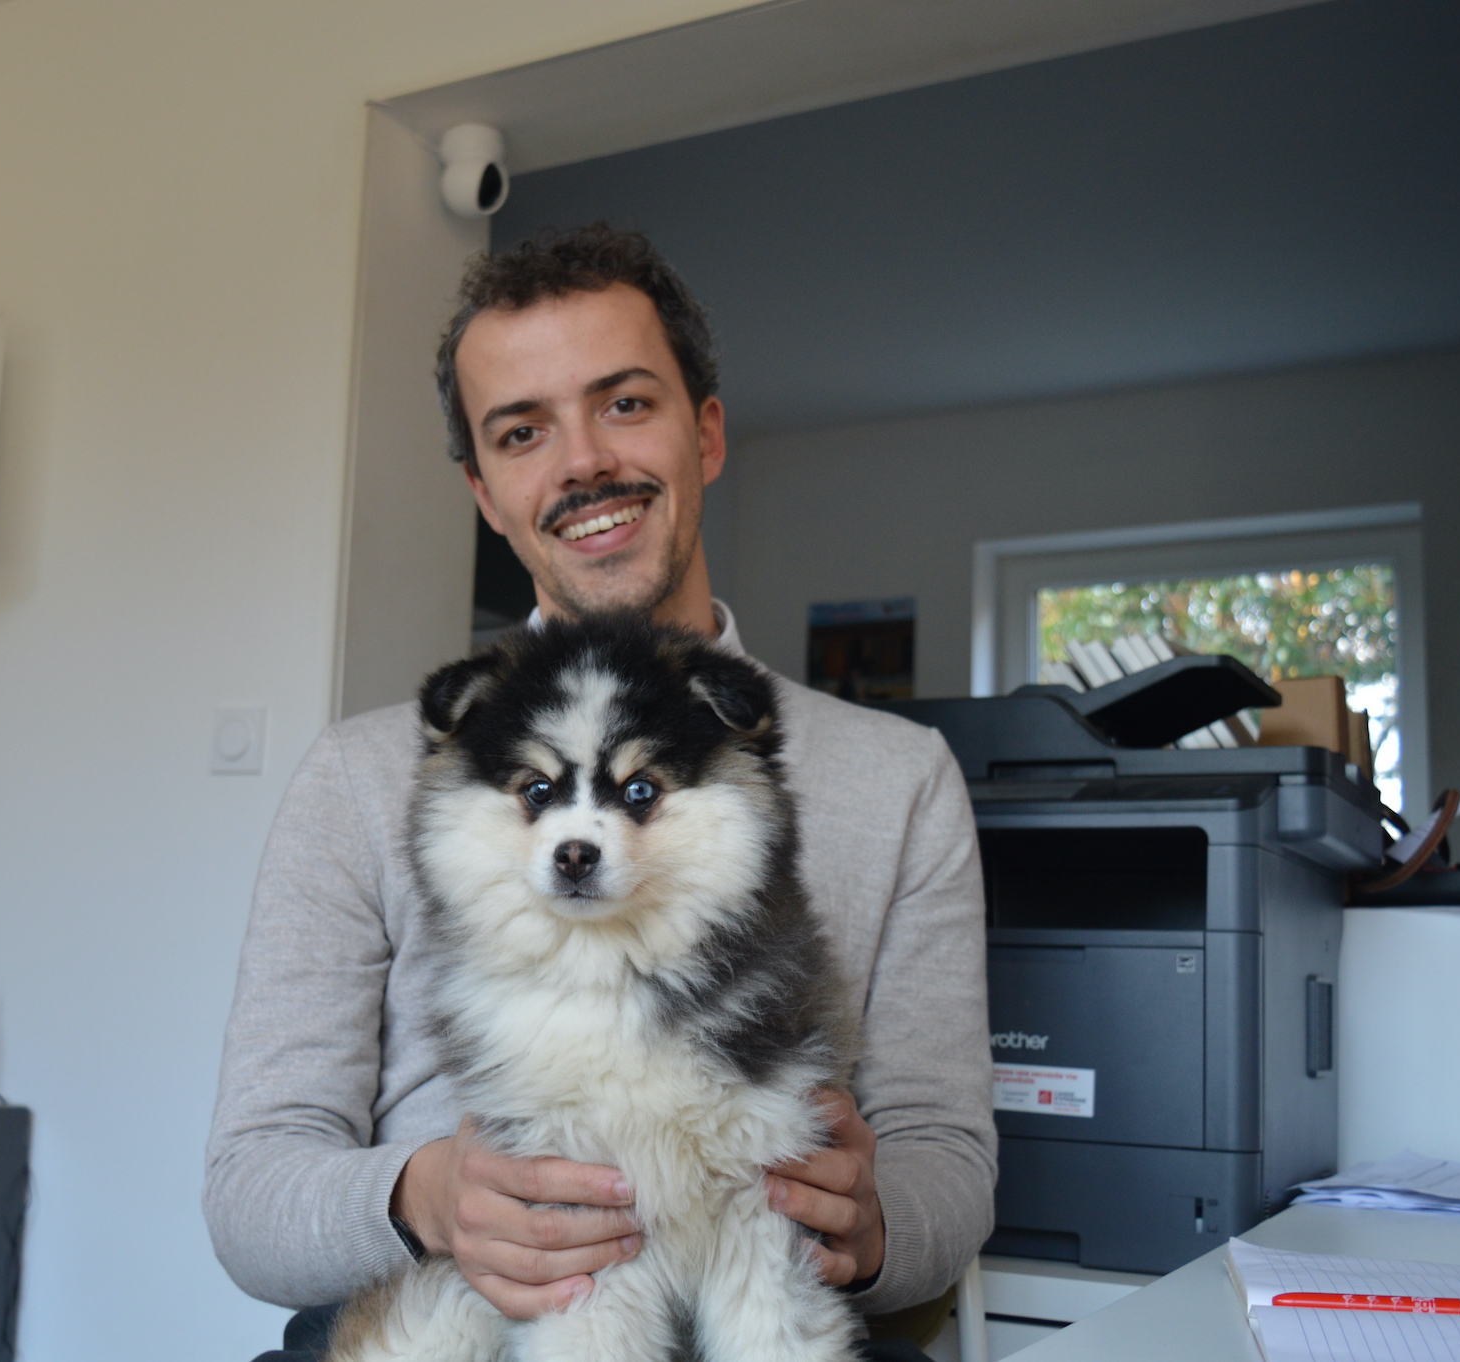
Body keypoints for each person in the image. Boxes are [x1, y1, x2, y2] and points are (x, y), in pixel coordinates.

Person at [206, 224, 994, 1360]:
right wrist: (425, 1198)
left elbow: (947, 1163)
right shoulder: (360, 778)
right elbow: (248, 1191)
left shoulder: (898, 776)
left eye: (623, 403)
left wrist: (874, 1226)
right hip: (443, 1314)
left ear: (706, 431)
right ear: (483, 490)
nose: (579, 464)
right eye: (522, 432)